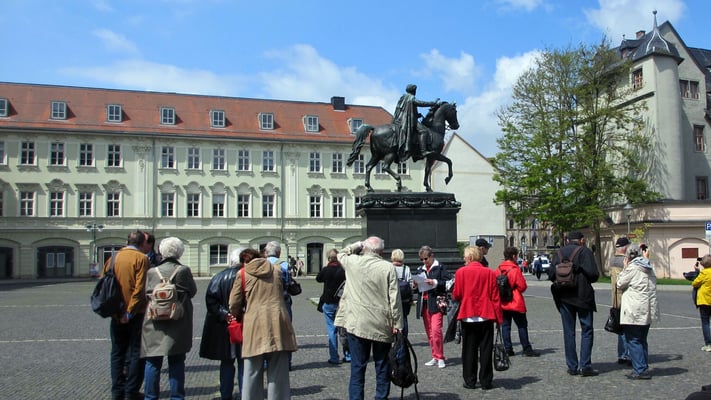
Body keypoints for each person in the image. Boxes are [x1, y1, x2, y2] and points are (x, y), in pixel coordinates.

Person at [334, 237, 403, 400]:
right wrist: (398, 324)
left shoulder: (353, 262)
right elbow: (394, 299)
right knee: (382, 365)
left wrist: (358, 244)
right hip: (381, 323)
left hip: (357, 323)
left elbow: (341, 253)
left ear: (365, 249)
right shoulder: (388, 268)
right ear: (381, 252)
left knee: (357, 367)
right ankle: (380, 397)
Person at [228, 249, 297, 400]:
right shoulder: (276, 270)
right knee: (279, 373)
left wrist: (239, 314)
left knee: (252, 371)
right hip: (278, 321)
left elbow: (234, 304)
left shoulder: (243, 273)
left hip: (254, 323)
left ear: (243, 261)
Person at [141, 237, 197, 399]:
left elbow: (146, 294)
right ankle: (177, 397)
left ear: (161, 252)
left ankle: (150, 396)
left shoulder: (152, 272)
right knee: (177, 361)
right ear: (179, 252)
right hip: (177, 320)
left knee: (152, 362)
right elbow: (192, 292)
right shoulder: (183, 271)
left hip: (154, 321)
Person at [200, 247, 255, 400]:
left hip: (224, 326)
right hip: (245, 324)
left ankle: (226, 395)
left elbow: (211, 301)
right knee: (245, 362)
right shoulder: (249, 277)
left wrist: (226, 316)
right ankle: (246, 394)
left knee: (226, 362)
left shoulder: (219, 276)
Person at [548, 231, 600, 377]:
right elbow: (594, 275)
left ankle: (572, 366)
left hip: (564, 297)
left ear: (567, 240)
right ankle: (585, 366)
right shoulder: (585, 252)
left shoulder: (558, 253)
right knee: (587, 330)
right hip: (582, 296)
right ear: (582, 240)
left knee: (568, 332)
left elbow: (551, 275)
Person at [106, 230, 150, 400]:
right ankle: (131, 391)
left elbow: (105, 284)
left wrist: (115, 311)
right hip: (134, 314)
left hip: (115, 312)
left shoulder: (113, 258)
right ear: (141, 244)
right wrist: (129, 312)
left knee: (117, 353)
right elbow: (140, 290)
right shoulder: (141, 259)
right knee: (135, 353)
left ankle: (117, 391)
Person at [452, 246, 502, 390]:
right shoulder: (489, 273)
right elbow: (495, 297)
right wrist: (499, 319)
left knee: (469, 350)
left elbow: (457, 295)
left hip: (468, 315)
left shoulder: (461, 272)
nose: (463, 259)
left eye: (465, 256)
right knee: (486, 349)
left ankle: (470, 380)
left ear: (469, 257)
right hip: (486, 315)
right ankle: (486, 381)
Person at [617, 243, 659, 379]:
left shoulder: (633, 268)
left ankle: (640, 369)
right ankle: (642, 366)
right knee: (642, 339)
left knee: (634, 340)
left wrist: (624, 267)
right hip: (647, 308)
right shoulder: (650, 268)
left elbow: (619, 283)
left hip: (634, 309)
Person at [496, 246, 540, 357]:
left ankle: (508, 349)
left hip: (503, 302)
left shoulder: (498, 269)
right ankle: (526, 348)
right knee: (521, 325)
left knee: (505, 326)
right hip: (515, 302)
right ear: (514, 256)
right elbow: (522, 286)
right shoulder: (514, 269)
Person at [415, 245, 450, 368]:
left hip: (436, 303)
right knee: (429, 332)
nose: (424, 261)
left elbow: (449, 282)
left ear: (432, 256)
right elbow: (417, 289)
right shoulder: (420, 269)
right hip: (424, 304)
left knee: (436, 330)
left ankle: (440, 356)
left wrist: (435, 283)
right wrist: (415, 285)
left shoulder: (440, 268)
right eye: (422, 259)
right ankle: (434, 356)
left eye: (426, 258)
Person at [264, 241, 295, 370]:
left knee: (266, 332)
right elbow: (288, 284)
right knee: (286, 332)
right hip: (283, 302)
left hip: (265, 303)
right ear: (279, 252)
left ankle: (266, 362)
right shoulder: (284, 265)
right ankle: (286, 362)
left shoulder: (261, 265)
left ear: (265, 253)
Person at [315, 248, 349, 364]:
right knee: (345, 329)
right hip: (342, 303)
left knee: (331, 330)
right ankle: (348, 355)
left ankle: (334, 357)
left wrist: (326, 266)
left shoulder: (326, 270)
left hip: (329, 303)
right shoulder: (344, 270)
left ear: (328, 258)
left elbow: (318, 279)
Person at [392, 84, 440, 161]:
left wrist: (417, 115)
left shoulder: (403, 98)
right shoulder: (411, 98)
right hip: (407, 121)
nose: (415, 92)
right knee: (423, 131)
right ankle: (423, 151)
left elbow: (407, 109)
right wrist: (433, 103)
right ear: (413, 90)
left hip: (401, 119)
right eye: (415, 90)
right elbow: (421, 103)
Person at [610, 237, 631, 364]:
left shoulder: (612, 259)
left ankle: (622, 354)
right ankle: (627, 354)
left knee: (621, 329)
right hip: (625, 298)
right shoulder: (624, 261)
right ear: (626, 248)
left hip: (615, 299)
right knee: (628, 328)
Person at [391, 249, 413, 337]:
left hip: (392, 297)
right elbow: (411, 284)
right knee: (404, 318)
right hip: (404, 298)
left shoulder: (389, 267)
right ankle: (404, 338)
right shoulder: (406, 268)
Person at [692, 254, 711, 351]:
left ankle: (709, 344)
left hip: (705, 301)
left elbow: (695, 283)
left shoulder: (704, 273)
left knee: (706, 322)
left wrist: (697, 271)